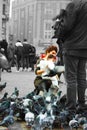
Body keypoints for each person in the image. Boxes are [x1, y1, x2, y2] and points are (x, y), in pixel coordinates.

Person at [52, 0, 87, 116]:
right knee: (82, 76)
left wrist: (58, 23)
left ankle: (71, 108)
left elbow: (66, 26)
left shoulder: (73, 5)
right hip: (85, 48)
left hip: (72, 46)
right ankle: (82, 105)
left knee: (71, 78)